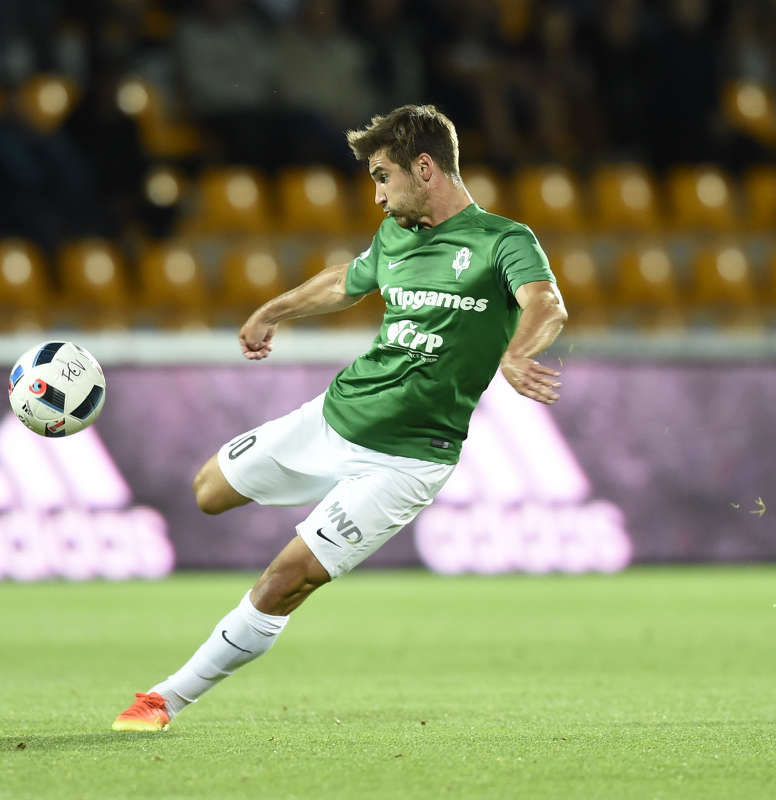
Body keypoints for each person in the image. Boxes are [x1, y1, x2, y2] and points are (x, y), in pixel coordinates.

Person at [112, 104, 568, 731]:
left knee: (287, 579)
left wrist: (517, 352)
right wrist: (273, 310)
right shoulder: (394, 236)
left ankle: (165, 698)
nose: (377, 195)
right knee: (207, 491)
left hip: (406, 462)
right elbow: (343, 283)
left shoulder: (503, 241)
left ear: (425, 168)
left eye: (383, 177)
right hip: (333, 419)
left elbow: (546, 302)